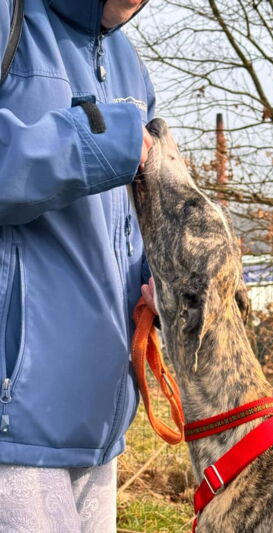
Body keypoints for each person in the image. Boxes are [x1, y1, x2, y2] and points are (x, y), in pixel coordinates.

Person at [0, 0, 156, 531]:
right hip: (15, 424)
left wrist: (157, 280)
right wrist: (95, 142)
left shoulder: (130, 63)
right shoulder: (10, 19)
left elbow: (128, 223)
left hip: (101, 425)